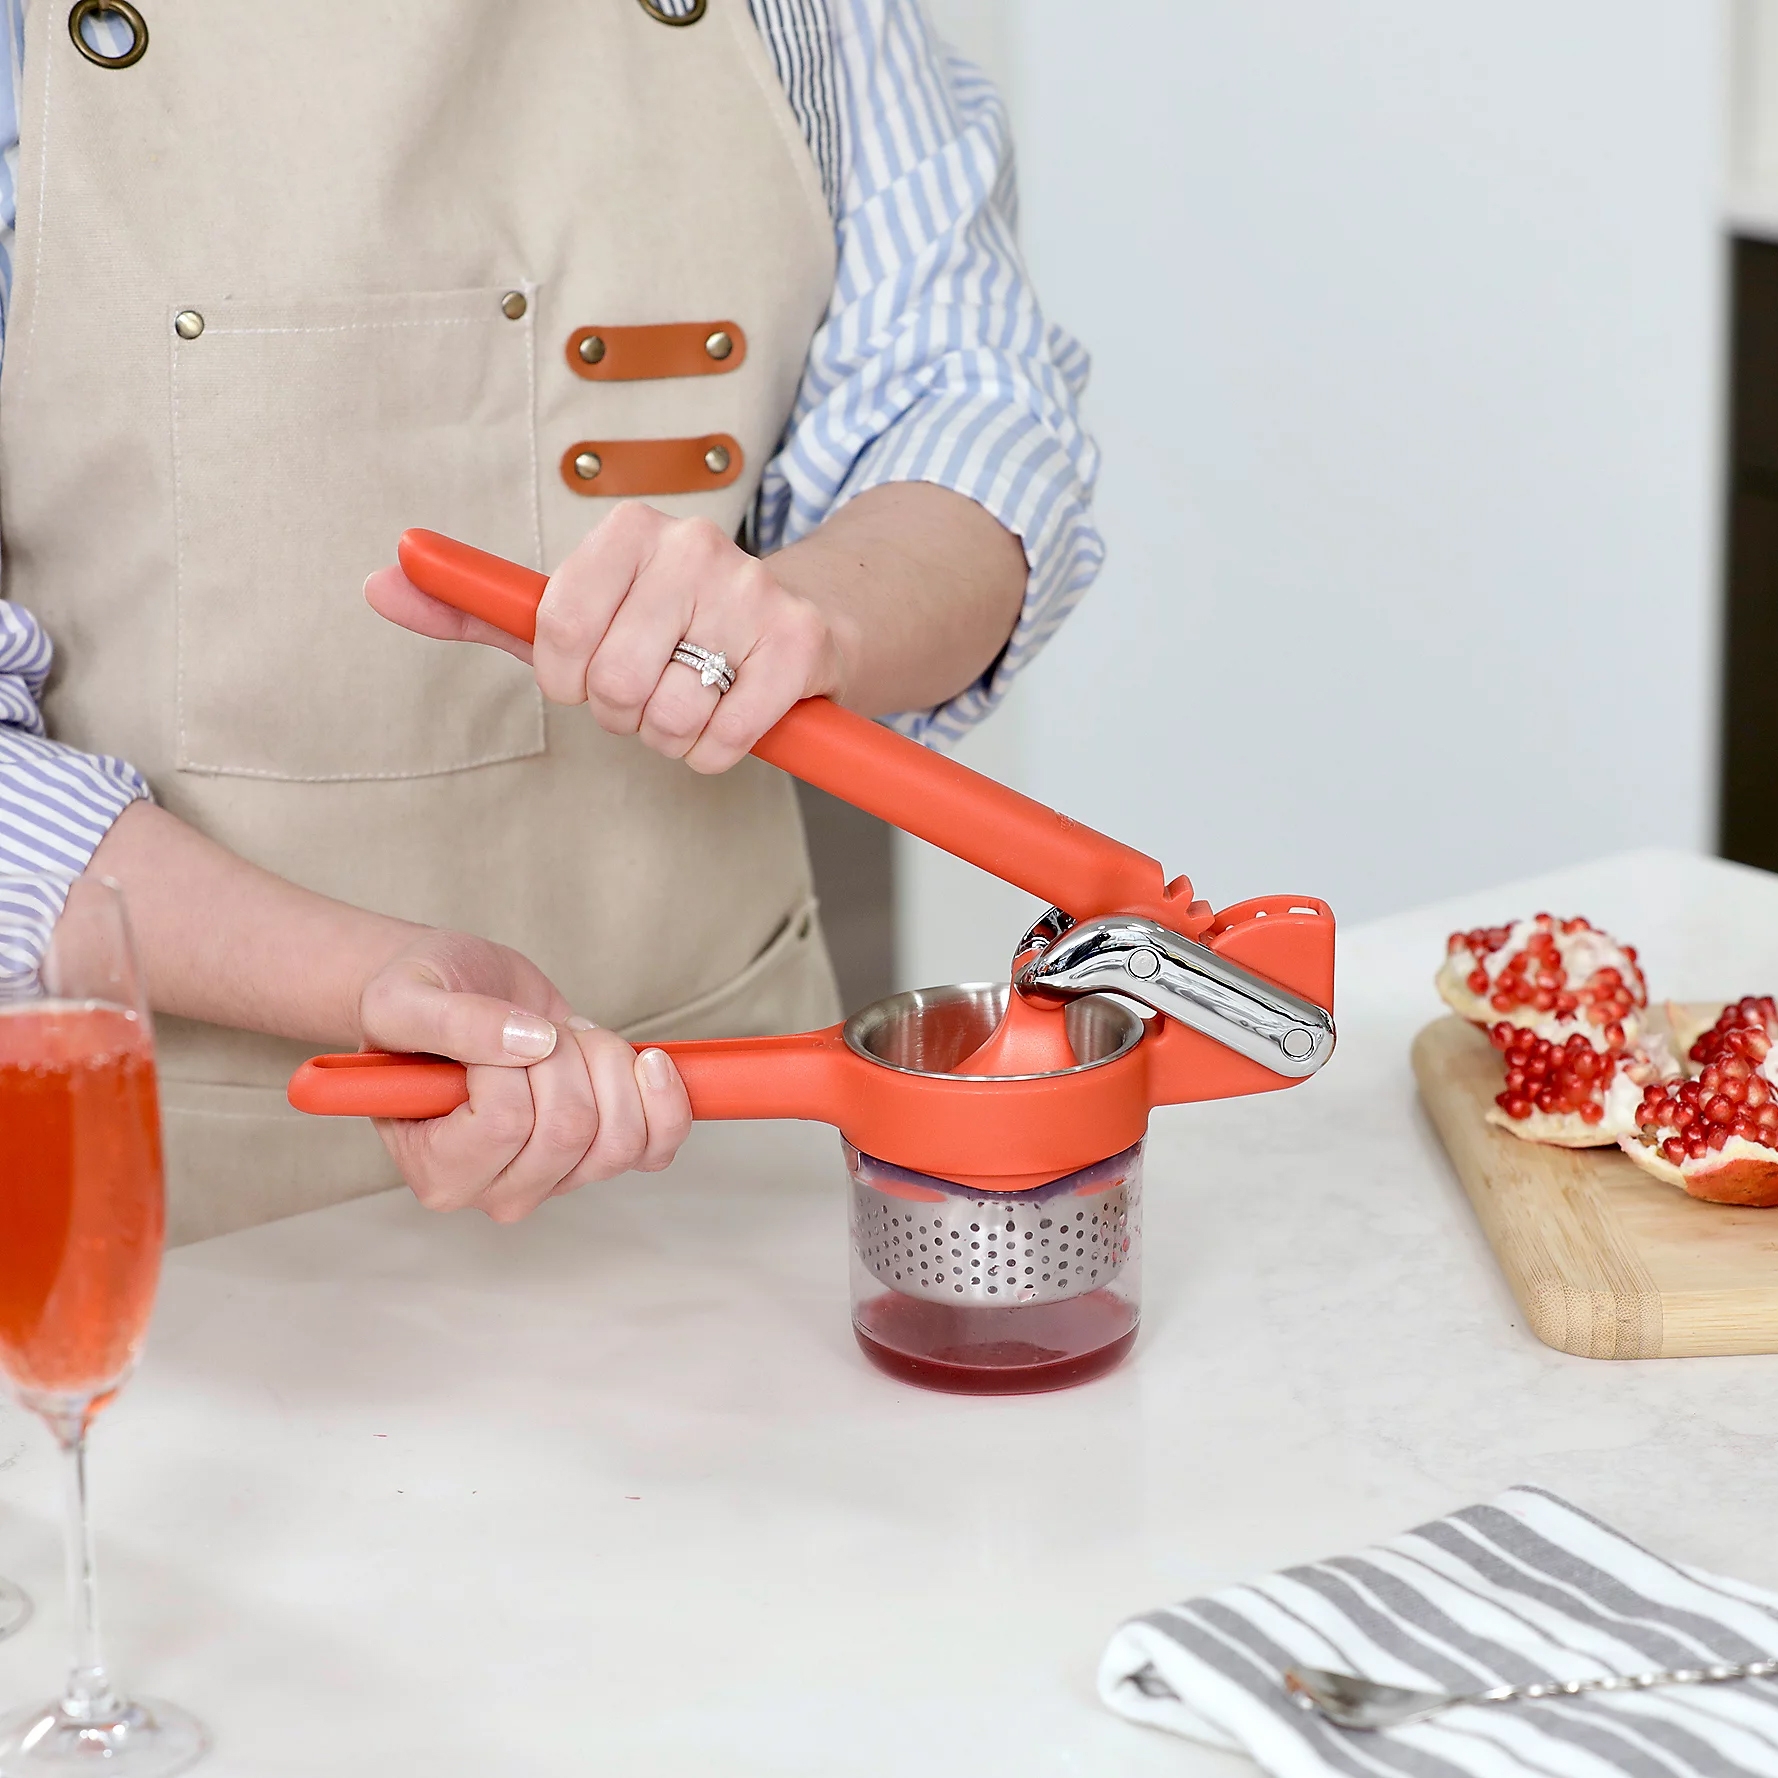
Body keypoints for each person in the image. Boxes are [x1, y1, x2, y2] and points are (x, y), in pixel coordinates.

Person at [0, 0, 1100, 1241]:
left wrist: (817, 615)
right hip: (165, 1232)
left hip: (727, 1168)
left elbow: (964, 390)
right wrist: (362, 980)